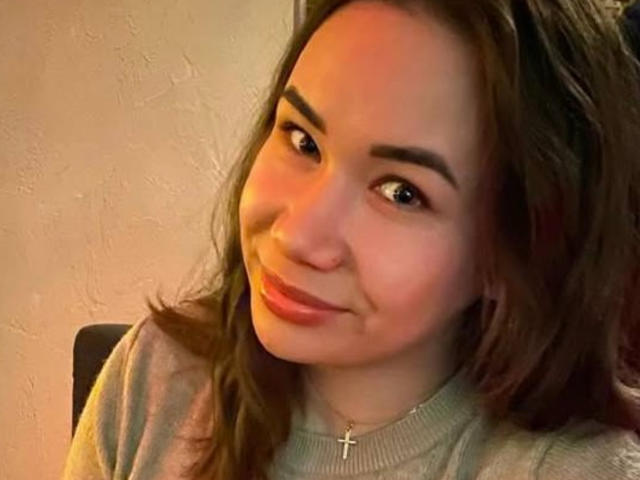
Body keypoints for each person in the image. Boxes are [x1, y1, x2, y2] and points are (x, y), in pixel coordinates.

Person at [62, 0, 640, 479]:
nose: (296, 235)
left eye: (401, 193)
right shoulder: (156, 382)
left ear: (511, 252)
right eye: (302, 140)